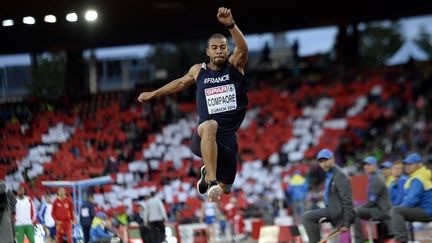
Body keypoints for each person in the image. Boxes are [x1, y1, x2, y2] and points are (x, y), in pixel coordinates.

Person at [138, 6, 249, 202]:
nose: (219, 51)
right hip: (203, 135)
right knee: (210, 125)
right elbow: (180, 83)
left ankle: (208, 175)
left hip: (228, 138)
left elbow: (244, 48)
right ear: (207, 51)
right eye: (214, 47)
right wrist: (154, 93)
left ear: (228, 49)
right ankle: (212, 180)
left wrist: (231, 25)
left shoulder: (235, 67)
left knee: (227, 189)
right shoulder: (199, 70)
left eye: (223, 47)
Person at [303, 148, 356, 243]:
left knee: (308, 217)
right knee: (309, 217)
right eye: (321, 161)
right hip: (333, 210)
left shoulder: (339, 175)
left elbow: (347, 199)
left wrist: (347, 222)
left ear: (332, 159)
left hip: (339, 212)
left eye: (325, 160)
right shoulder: (330, 175)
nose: (323, 164)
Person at [390, 153, 432, 243]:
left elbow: (412, 200)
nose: (407, 167)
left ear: (419, 165)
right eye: (406, 164)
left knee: (396, 210)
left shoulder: (418, 178)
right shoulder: (417, 176)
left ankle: (400, 240)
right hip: (424, 209)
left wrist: (400, 208)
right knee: (396, 210)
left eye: (410, 164)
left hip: (427, 210)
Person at [353, 156, 391, 242]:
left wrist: (359, 208)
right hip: (377, 209)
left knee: (355, 212)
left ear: (375, 166)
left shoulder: (377, 179)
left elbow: (371, 202)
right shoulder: (373, 178)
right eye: (365, 165)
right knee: (356, 210)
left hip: (382, 211)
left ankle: (359, 241)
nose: (366, 167)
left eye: (369, 164)